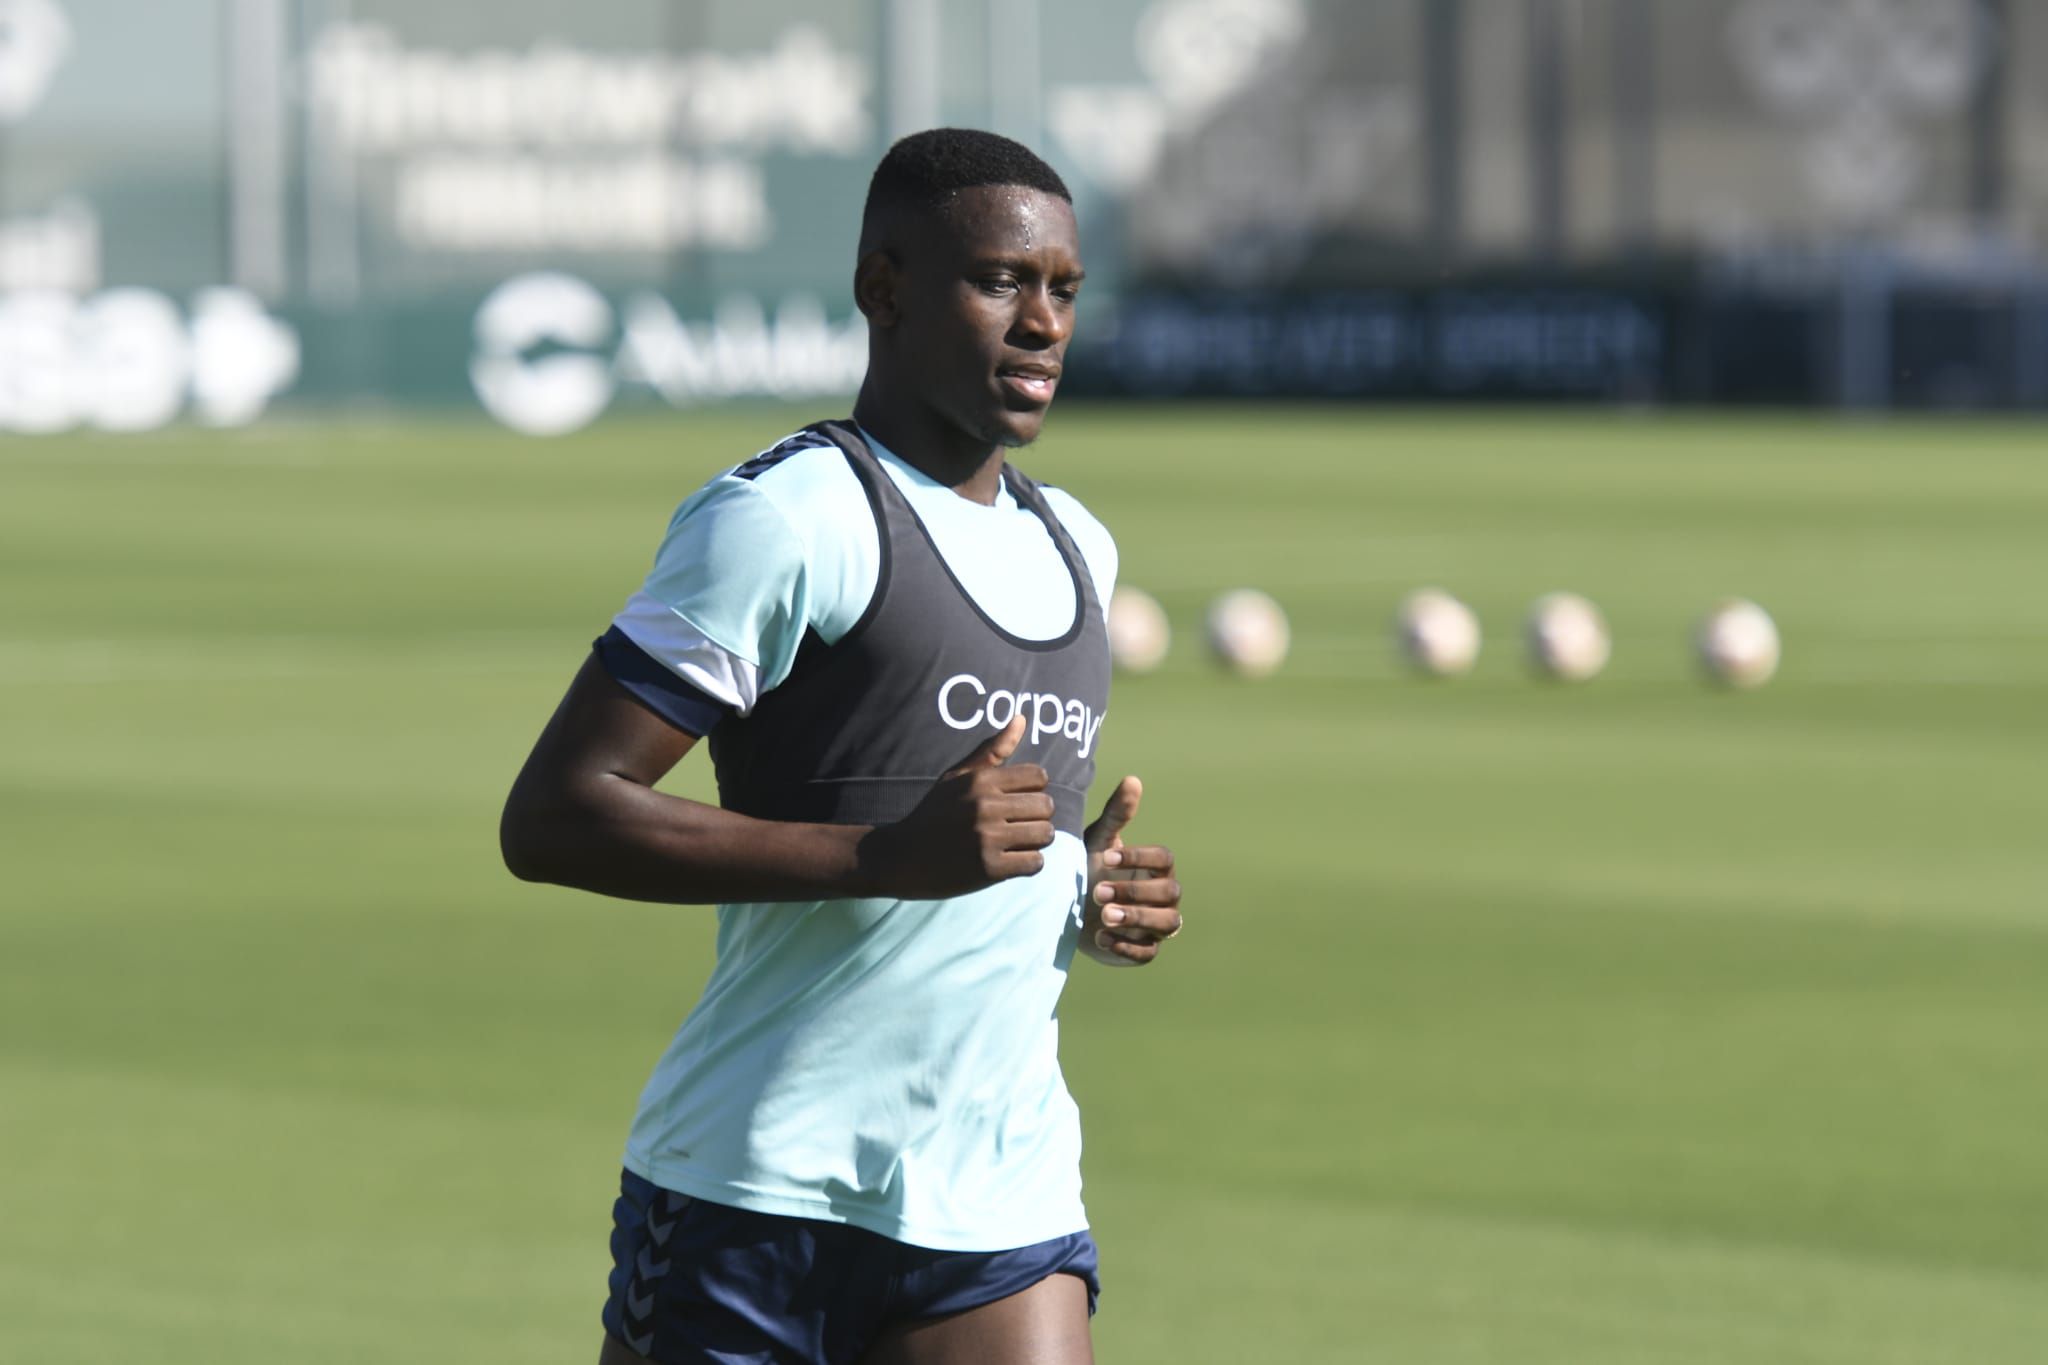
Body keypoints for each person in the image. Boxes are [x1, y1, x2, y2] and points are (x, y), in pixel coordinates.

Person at [500, 127, 1185, 1365]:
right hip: (754, 1197)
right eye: (999, 282)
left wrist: (1081, 882)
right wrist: (884, 855)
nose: (1041, 323)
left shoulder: (1078, 545)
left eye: (1064, 291)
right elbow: (554, 814)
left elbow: (971, 841)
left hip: (1001, 1199)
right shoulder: (788, 518)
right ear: (885, 288)